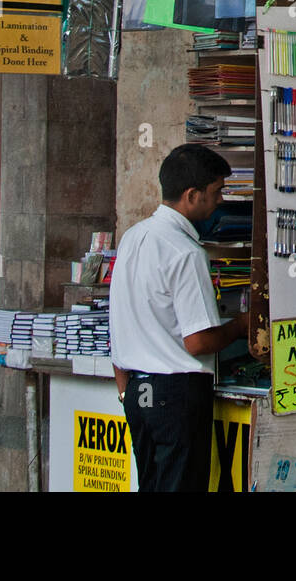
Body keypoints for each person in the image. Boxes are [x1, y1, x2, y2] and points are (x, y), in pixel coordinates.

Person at [110, 144, 248, 492]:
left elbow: (119, 321)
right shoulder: (185, 253)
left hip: (138, 389)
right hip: (175, 394)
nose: (220, 201)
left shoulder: (132, 238)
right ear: (192, 195)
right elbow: (198, 341)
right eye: (216, 192)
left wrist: (126, 391)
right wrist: (241, 325)